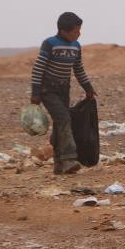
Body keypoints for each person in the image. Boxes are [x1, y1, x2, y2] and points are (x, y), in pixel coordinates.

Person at [30, 12, 97, 174]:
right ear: (63, 31)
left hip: (64, 90)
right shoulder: (50, 44)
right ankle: (68, 159)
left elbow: (78, 69)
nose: (79, 33)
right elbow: (38, 68)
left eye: (79, 30)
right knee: (64, 119)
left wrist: (88, 88)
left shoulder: (76, 47)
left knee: (61, 123)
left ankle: (59, 165)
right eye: (75, 31)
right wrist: (36, 92)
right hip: (48, 90)